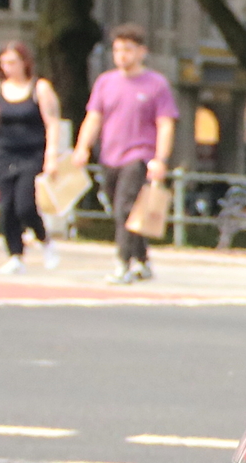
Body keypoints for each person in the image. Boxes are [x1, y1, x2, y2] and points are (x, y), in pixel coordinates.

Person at [70, 24, 176, 285]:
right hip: (110, 156)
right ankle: (142, 259)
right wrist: (83, 146)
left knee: (125, 208)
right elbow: (94, 117)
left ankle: (122, 263)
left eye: (128, 49)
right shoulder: (105, 82)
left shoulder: (156, 84)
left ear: (142, 52)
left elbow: (165, 124)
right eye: (117, 49)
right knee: (124, 210)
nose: (122, 55)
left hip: (139, 155)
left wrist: (160, 159)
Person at [0, 42, 63, 273]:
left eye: (13, 62)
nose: (8, 67)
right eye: (4, 63)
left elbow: (52, 122)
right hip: (6, 152)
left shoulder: (39, 88)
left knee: (25, 205)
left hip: (32, 152)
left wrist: (51, 155)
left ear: (25, 62)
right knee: (7, 207)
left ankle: (45, 240)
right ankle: (15, 254)